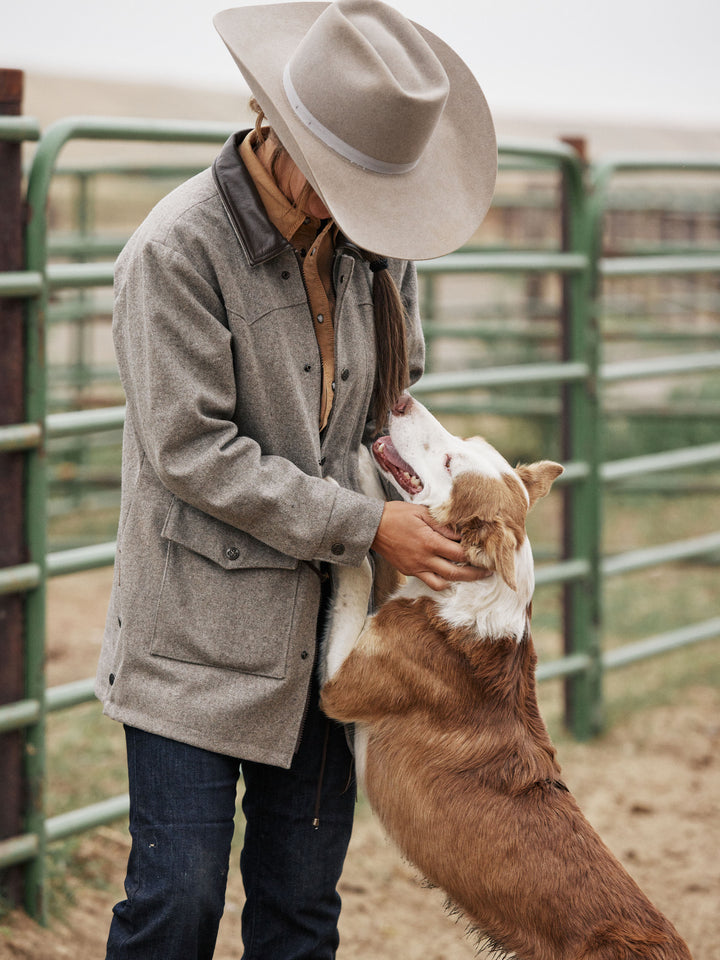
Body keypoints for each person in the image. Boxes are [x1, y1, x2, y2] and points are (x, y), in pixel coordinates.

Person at [95, 1, 497, 957]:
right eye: (337, 177)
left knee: (301, 913)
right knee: (175, 905)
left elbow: (391, 400)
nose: (348, 201)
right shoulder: (176, 252)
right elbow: (194, 453)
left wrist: (462, 486)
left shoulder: (374, 239)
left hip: (330, 641)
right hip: (192, 641)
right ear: (268, 118)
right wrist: (369, 527)